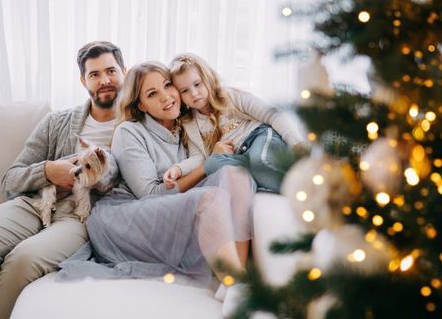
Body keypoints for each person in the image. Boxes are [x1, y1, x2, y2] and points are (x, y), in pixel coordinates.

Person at [0, 41, 126, 319]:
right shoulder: (56, 122)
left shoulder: (136, 128)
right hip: (34, 202)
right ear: (82, 81)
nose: (105, 80)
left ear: (125, 71)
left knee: (24, 260)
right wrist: (48, 171)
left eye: (111, 71)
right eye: (94, 74)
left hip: (79, 217)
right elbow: (9, 180)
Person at [58, 61, 257, 317]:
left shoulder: (185, 125)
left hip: (173, 204)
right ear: (140, 105)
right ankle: (236, 283)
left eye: (167, 86)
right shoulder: (129, 132)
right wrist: (205, 167)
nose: (166, 97)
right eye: (152, 94)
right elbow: (150, 195)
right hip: (128, 215)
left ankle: (237, 279)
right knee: (209, 198)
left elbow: (199, 166)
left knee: (236, 173)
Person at [163, 53, 308, 193]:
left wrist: (296, 143)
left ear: (207, 79)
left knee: (260, 163)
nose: (194, 94)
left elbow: (272, 115)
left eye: (197, 84)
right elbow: (198, 157)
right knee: (212, 164)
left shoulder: (229, 96)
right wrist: (178, 169)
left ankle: (303, 188)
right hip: (239, 157)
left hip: (259, 137)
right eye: (185, 91)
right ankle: (264, 178)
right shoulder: (190, 124)